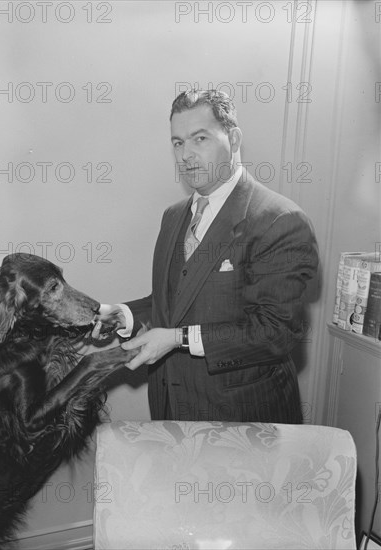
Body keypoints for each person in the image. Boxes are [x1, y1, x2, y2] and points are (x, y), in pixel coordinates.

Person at [96, 89, 319, 423]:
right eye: (177, 142)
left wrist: (177, 339)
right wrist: (126, 314)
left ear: (233, 137)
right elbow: (179, 301)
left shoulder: (279, 220)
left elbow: (275, 332)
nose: (186, 155)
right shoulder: (173, 217)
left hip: (244, 420)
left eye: (199, 138)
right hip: (171, 410)